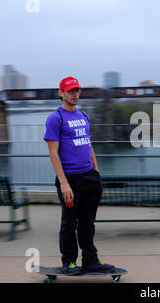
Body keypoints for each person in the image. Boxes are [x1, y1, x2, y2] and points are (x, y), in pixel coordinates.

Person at [43, 76, 115, 275]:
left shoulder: (83, 116)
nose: (75, 94)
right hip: (70, 179)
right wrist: (64, 183)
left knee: (87, 222)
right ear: (61, 93)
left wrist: (96, 172)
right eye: (70, 91)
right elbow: (53, 153)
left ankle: (91, 260)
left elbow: (88, 145)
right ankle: (69, 262)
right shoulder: (55, 118)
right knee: (69, 222)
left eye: (77, 90)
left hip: (89, 177)